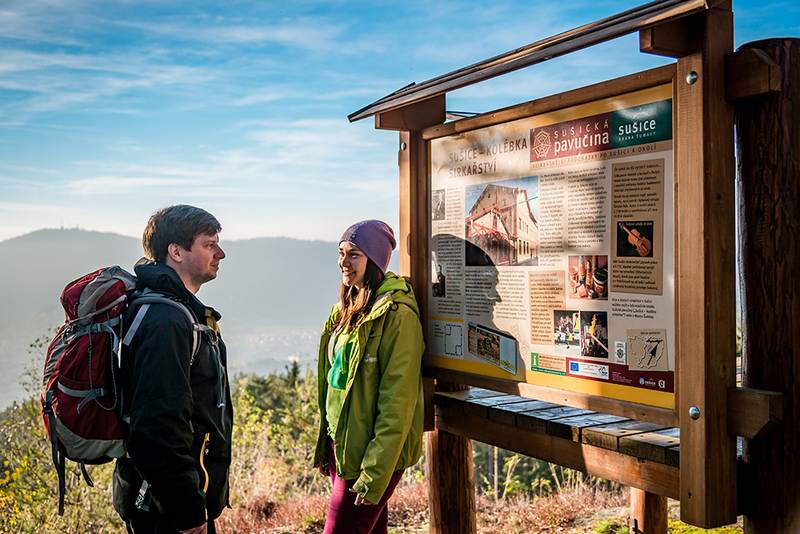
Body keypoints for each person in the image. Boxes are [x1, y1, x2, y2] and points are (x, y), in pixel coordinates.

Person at [113, 205, 233, 534]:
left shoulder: (172, 311)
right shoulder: (165, 321)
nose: (221, 253)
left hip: (168, 499)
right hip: (165, 509)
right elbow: (157, 426)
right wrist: (188, 512)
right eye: (209, 244)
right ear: (176, 251)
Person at [313, 220, 425, 534]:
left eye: (354, 255)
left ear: (374, 260)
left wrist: (375, 472)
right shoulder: (346, 309)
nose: (343, 263)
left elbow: (397, 402)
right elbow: (336, 388)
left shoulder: (397, 316)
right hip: (345, 448)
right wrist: (328, 445)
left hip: (372, 457)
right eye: (341, 253)